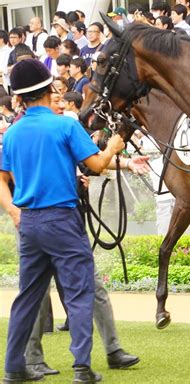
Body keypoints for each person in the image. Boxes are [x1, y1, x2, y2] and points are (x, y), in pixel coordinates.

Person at [1, 58, 125, 383]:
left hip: (29, 222)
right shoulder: (65, 125)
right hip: (61, 219)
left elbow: (2, 177)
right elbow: (96, 165)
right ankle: (82, 367)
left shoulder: (12, 133)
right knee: (80, 292)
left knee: (27, 296)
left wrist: (13, 209)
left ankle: (14, 367)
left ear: (19, 96)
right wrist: (112, 147)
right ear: (47, 89)